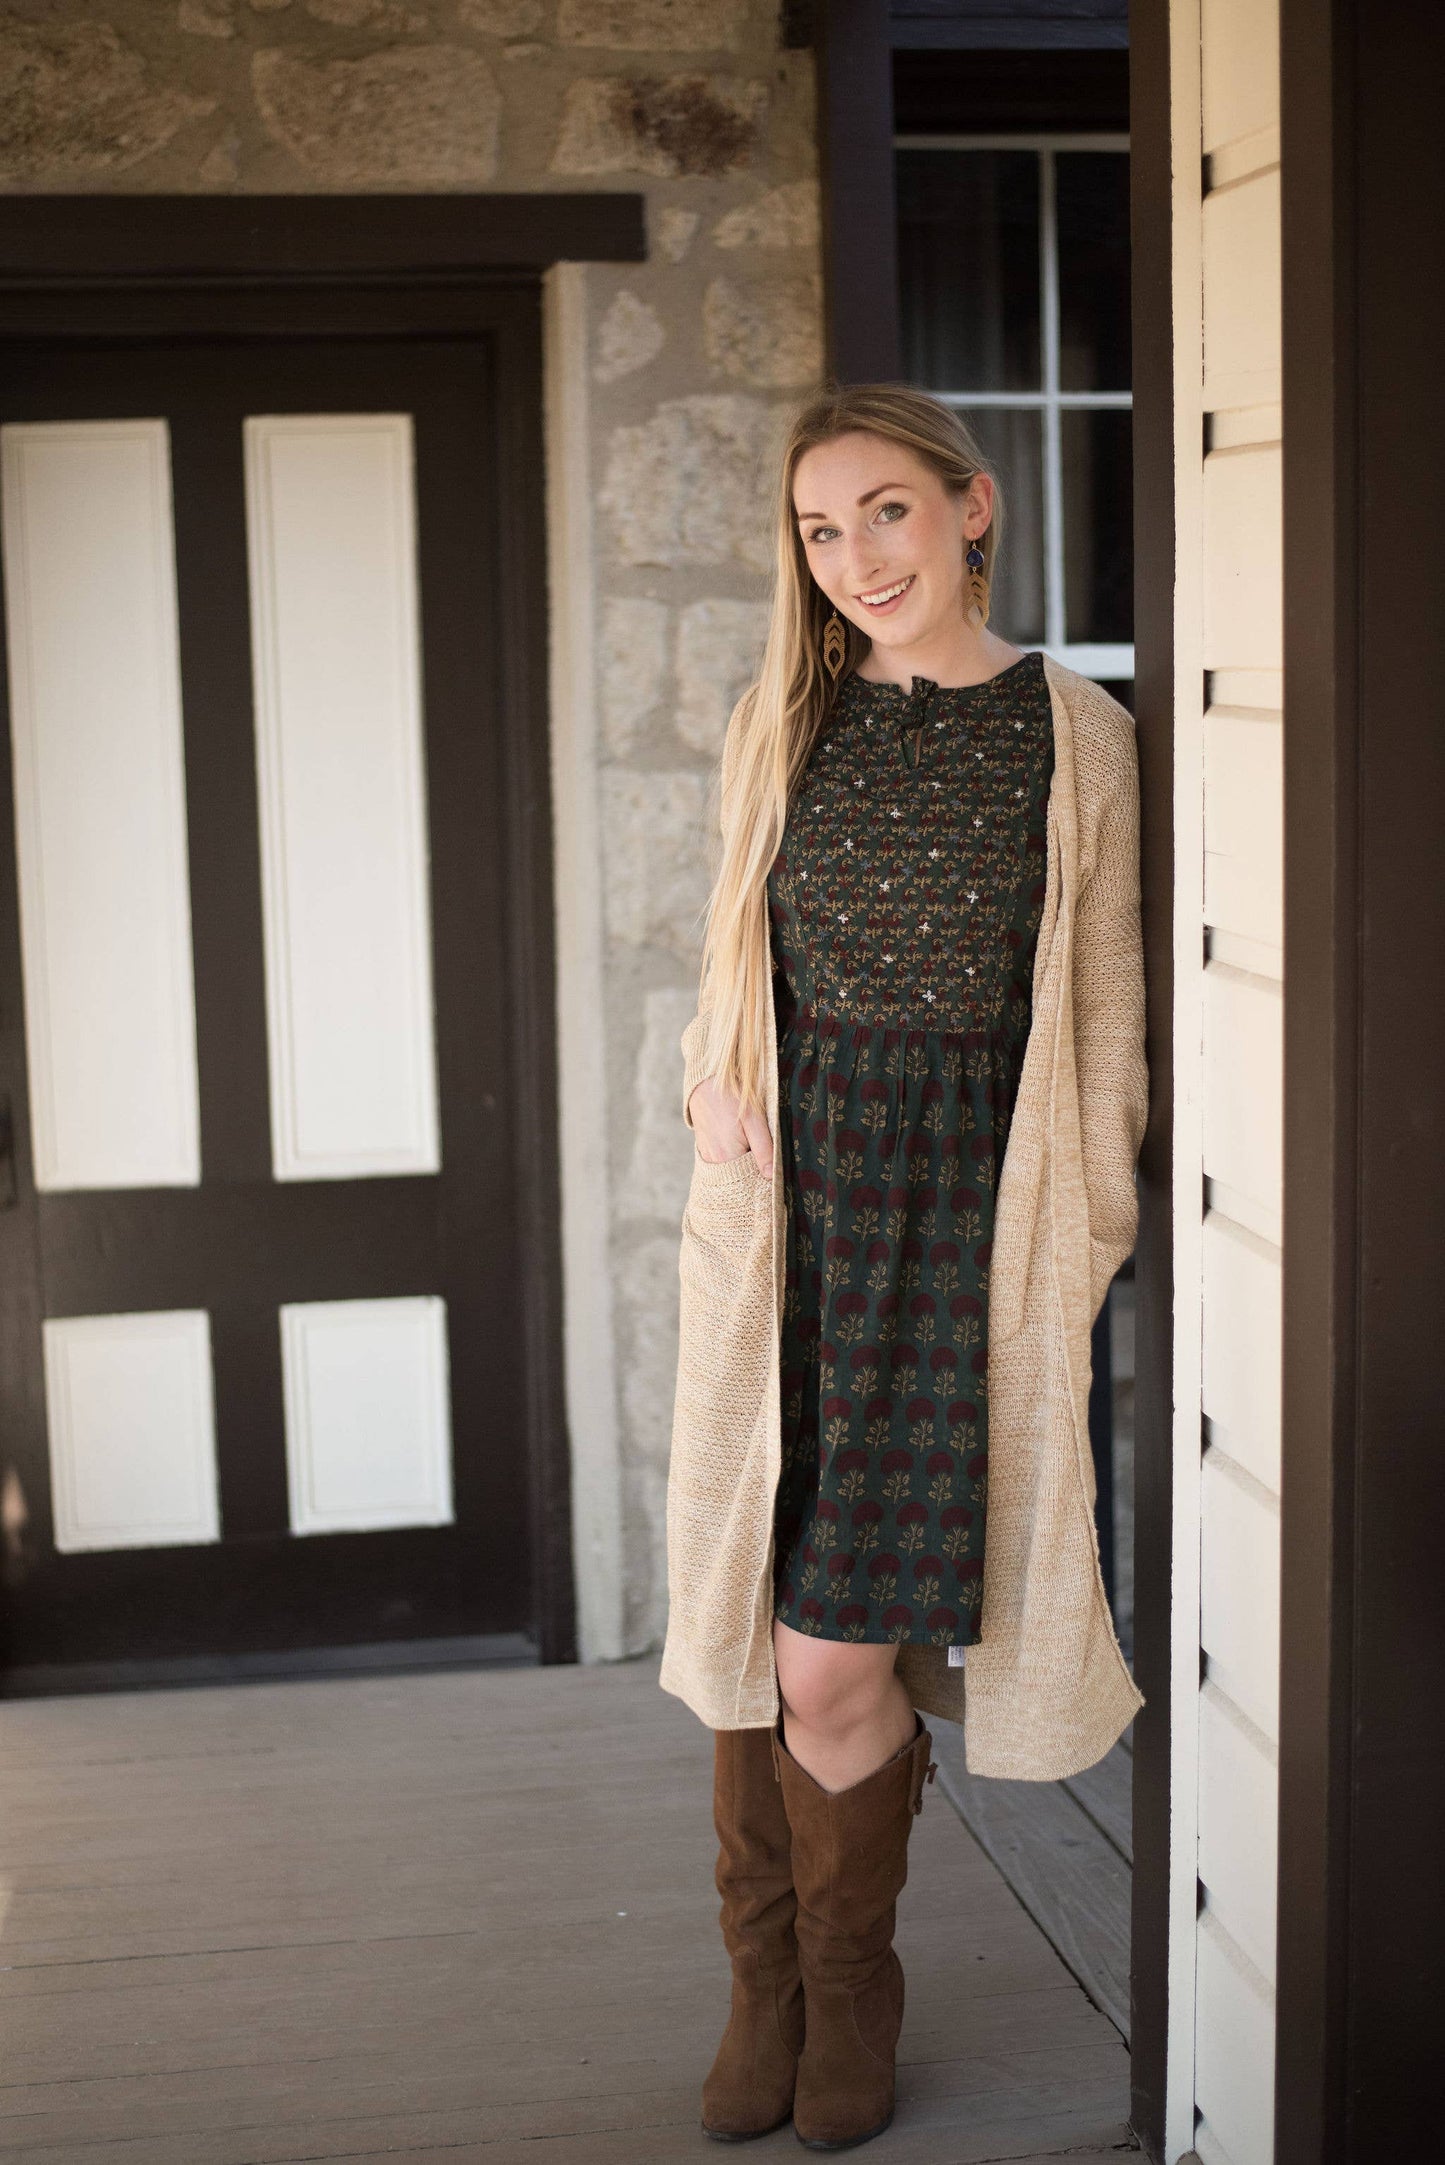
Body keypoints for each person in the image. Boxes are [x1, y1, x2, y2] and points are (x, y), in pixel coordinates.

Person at [661, 383, 1148, 2151]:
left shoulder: (1074, 733)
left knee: (826, 1656)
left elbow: (1098, 1015)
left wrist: (1081, 1229)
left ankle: (844, 1984)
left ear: (970, 509)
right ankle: (770, 1988)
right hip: (800, 1218)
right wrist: (709, 1085)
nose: (853, 555)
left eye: (883, 511)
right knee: (764, 1632)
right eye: (817, 527)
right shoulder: (779, 721)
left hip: (965, 1226)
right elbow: (731, 955)